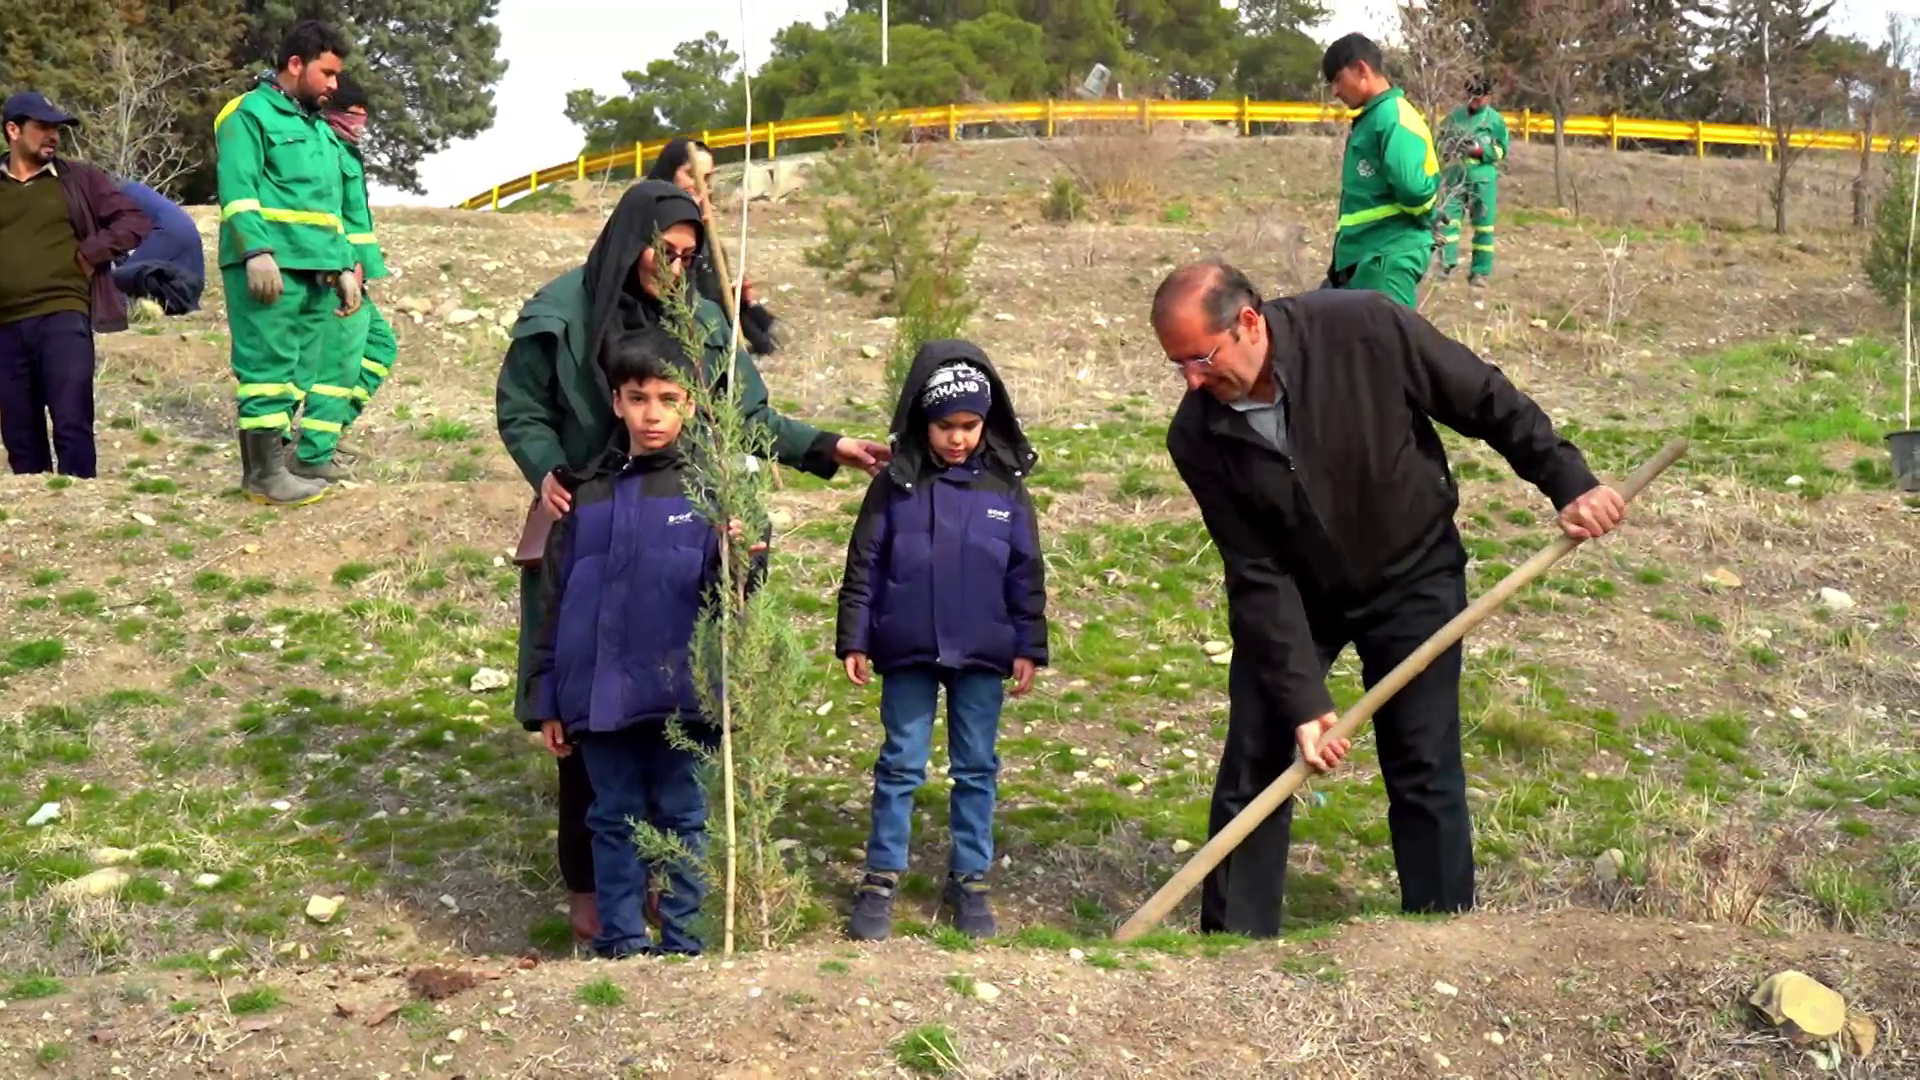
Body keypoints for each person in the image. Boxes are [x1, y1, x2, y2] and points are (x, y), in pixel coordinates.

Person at [1149, 261, 1627, 937]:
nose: (1193, 381)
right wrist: (1305, 704)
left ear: (1248, 322)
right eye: (1179, 366)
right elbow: (1255, 573)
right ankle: (1235, 944)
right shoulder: (1197, 434)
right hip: (1301, 596)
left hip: (1413, 575)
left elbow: (1484, 398)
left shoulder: (1363, 328)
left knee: (1423, 758)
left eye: (1200, 358)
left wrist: (1568, 479)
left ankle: (1440, 935)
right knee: (1257, 751)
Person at [496, 178, 890, 943]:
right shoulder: (561, 310)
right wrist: (548, 469)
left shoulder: (702, 319)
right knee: (586, 708)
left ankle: (666, 891)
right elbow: (521, 406)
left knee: (674, 708)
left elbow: (745, 412)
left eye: (686, 256)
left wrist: (825, 447)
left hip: (677, 523)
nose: (674, 268)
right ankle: (592, 885)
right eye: (663, 251)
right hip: (591, 518)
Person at [527, 327, 764, 959]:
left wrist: (740, 552)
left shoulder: (716, 493)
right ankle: (622, 944)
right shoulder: (587, 494)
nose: (652, 413)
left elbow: (736, 599)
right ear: (615, 402)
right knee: (612, 818)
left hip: (686, 693)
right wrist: (545, 698)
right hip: (601, 695)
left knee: (686, 816)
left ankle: (686, 943)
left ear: (690, 404)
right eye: (637, 398)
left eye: (667, 397)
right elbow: (552, 603)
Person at [835, 341, 1048, 942]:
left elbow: (1025, 572)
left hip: (983, 652)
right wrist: (855, 635)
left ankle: (970, 877)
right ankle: (881, 876)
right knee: (901, 763)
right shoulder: (893, 488)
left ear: (987, 423)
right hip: (906, 648)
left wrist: (1028, 644)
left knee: (977, 766)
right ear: (921, 423)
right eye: (944, 426)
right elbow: (865, 565)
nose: (957, 438)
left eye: (969, 426)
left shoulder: (1006, 491)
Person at [214, 19, 359, 507]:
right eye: (328, 73)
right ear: (295, 64)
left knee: (298, 372)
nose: (334, 86)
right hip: (270, 267)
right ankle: (263, 476)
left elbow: (329, 208)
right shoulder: (249, 115)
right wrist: (256, 251)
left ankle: (273, 468)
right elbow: (238, 190)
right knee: (267, 370)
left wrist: (342, 266)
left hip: (314, 269)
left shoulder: (317, 130)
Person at [0, 92, 152, 479]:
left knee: (71, 421)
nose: (53, 136)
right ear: (13, 130)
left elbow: (133, 220)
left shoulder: (79, 178)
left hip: (63, 316)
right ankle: (41, 518)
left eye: (57, 129)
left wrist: (91, 253)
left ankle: (81, 500)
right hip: (4, 327)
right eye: (43, 127)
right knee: (19, 433)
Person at [289, 71, 400, 482]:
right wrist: (339, 268)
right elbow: (326, 216)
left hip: (353, 273)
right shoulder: (324, 150)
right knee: (337, 367)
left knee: (380, 348)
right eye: (356, 113)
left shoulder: (345, 150)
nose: (362, 122)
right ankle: (313, 451)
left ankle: (326, 432)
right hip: (337, 276)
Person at [1319, 33, 1440, 308]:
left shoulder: (1392, 116)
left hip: (1386, 256)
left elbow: (1414, 190)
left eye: (1337, 79)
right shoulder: (1375, 117)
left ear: (1362, 69)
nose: (1335, 91)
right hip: (1363, 257)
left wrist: (1428, 214)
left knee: (1384, 347)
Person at [645, 137, 779, 356]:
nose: (701, 186)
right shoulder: (645, 218)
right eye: (692, 174)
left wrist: (734, 294)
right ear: (669, 172)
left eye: (707, 178)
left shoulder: (701, 225)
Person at [1437, 77, 1510, 289]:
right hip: (1455, 178)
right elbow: (1439, 141)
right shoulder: (1454, 118)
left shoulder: (1495, 121)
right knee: (1448, 222)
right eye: (1471, 97)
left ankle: (1479, 273)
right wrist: (1449, 147)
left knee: (1484, 227)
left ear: (1488, 97)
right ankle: (1444, 266)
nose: (1474, 102)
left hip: (1483, 179)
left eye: (1479, 98)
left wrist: (1480, 151)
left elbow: (1501, 150)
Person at [112, 178, 206, 315]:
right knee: (135, 274)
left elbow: (116, 241)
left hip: (168, 232)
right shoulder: (131, 190)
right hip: (191, 281)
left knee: (121, 278)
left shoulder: (112, 196)